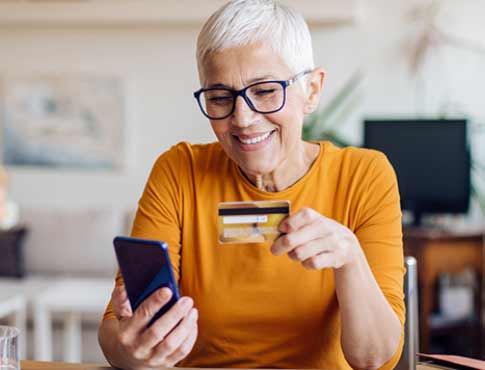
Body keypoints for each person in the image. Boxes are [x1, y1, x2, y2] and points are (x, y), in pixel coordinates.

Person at [98, 1, 405, 369]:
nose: (242, 118)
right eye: (220, 97)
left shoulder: (364, 176)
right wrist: (134, 351)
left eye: (265, 91)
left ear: (311, 90)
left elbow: (375, 359)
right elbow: (115, 330)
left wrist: (351, 260)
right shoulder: (179, 171)